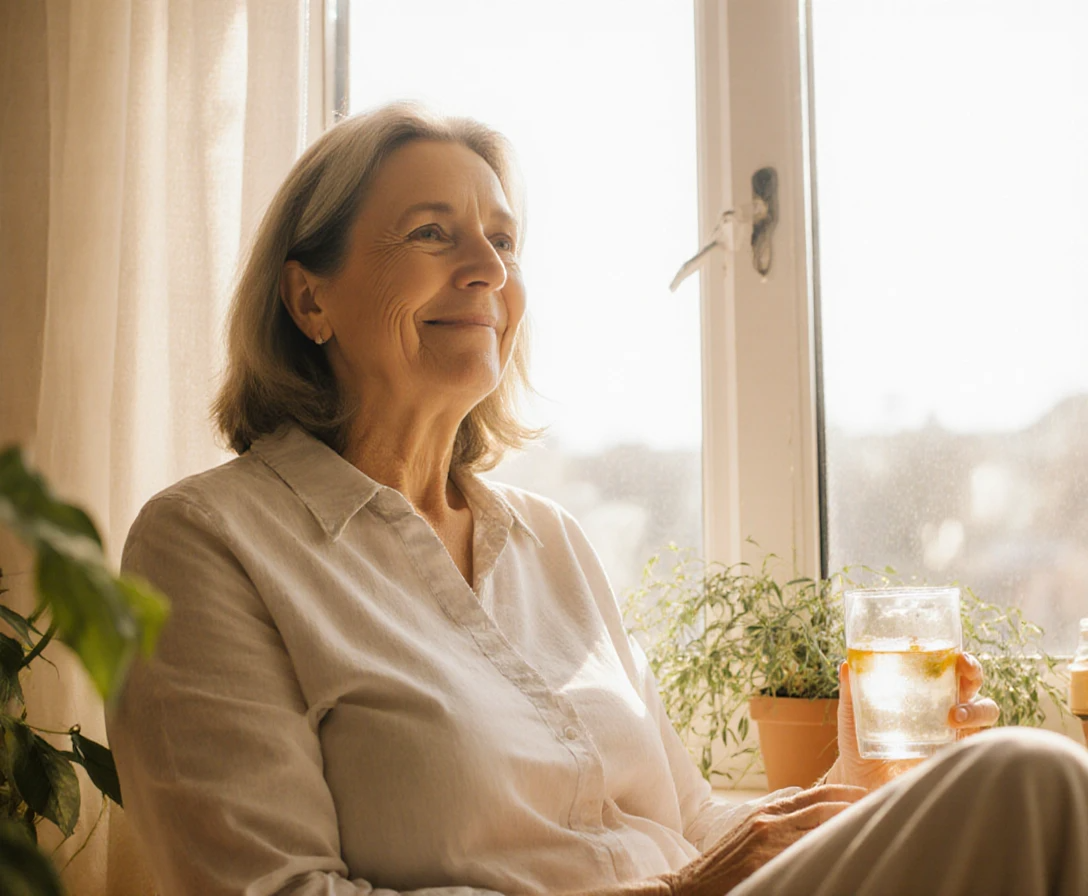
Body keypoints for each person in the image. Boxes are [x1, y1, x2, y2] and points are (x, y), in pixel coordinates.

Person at [106, 102, 1088, 896]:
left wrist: (849, 785)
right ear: (307, 298)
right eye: (430, 233)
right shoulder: (207, 542)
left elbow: (694, 827)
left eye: (501, 236)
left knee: (1018, 780)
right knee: (1031, 778)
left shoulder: (548, 539)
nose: (488, 270)